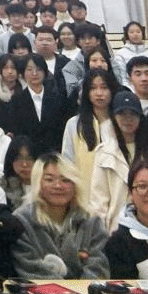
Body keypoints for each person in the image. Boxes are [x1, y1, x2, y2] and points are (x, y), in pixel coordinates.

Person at [12, 153, 110, 279]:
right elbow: (29, 268)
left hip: (86, 291)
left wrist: (79, 289)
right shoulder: (21, 221)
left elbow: (99, 267)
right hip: (39, 291)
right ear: (37, 183)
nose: (58, 186)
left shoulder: (92, 221)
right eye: (49, 180)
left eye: (66, 180)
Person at [90, 92, 148, 230]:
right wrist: (100, 235)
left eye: (133, 114)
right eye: (122, 114)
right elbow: (98, 201)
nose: (128, 119)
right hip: (116, 228)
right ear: (114, 117)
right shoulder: (104, 153)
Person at [61, 69, 118, 207]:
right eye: (93, 88)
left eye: (104, 87)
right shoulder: (74, 124)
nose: (99, 93)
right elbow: (67, 163)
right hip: (84, 198)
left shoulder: (120, 122)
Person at [3, 54, 76, 157]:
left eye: (38, 69)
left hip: (55, 154)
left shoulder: (58, 98)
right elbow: (17, 132)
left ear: (45, 72)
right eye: (29, 70)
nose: (34, 73)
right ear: (23, 73)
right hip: (28, 156)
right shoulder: (16, 101)